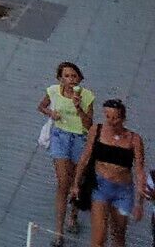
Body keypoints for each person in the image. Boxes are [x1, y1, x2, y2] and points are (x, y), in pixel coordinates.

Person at [41, 61, 97, 239]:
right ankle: (58, 230)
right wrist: (51, 113)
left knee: (76, 180)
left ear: (79, 78)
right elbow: (41, 106)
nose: (71, 79)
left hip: (79, 138)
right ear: (60, 79)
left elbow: (89, 125)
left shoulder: (87, 96)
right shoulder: (53, 91)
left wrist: (78, 106)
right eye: (67, 76)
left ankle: (73, 214)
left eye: (74, 76)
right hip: (60, 136)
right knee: (63, 182)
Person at [83, 98, 143, 247]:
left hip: (123, 191)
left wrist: (139, 203)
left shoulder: (134, 139)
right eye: (108, 117)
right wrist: (76, 184)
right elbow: (85, 157)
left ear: (123, 118)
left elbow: (139, 171)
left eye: (115, 118)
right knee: (98, 237)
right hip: (101, 187)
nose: (111, 122)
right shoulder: (97, 130)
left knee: (118, 235)